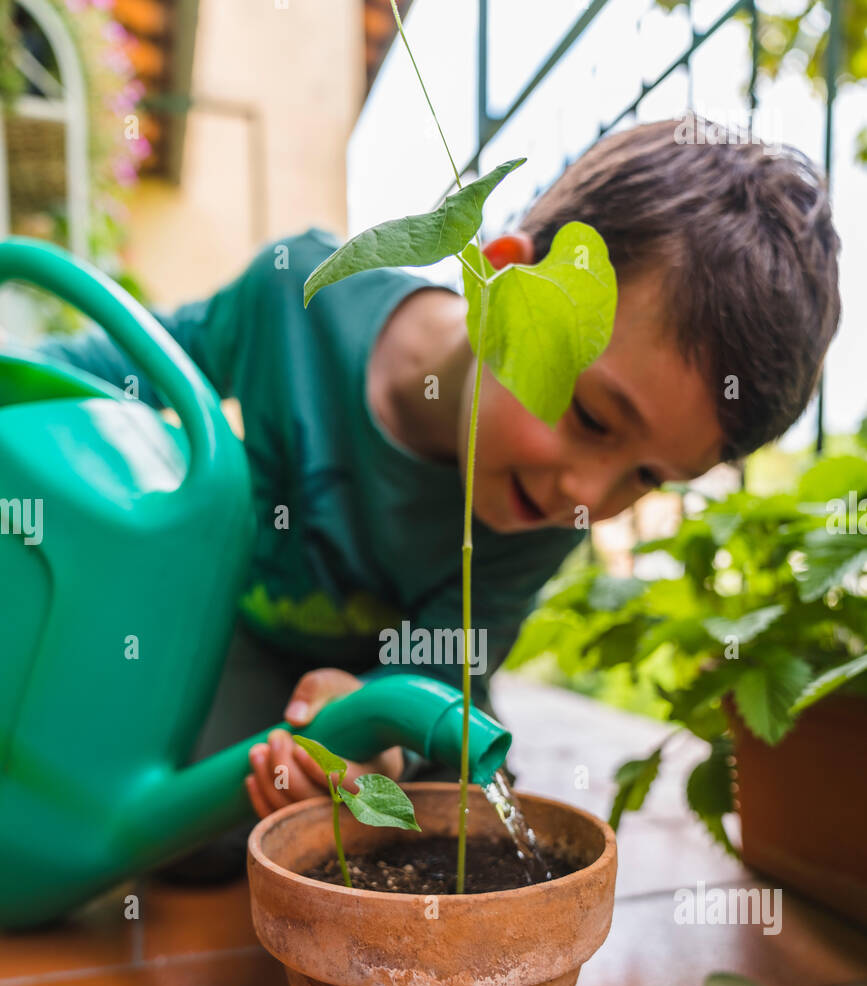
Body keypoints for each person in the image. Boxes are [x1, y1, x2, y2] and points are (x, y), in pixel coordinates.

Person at [38, 118, 840, 878]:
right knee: (149, 806)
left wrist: (375, 746)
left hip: (361, 697)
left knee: (387, 820)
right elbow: (97, 369)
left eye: (647, 478)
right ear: (505, 275)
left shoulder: (543, 501)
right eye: (593, 417)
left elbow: (451, 664)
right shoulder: (295, 305)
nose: (586, 497)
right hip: (212, 640)